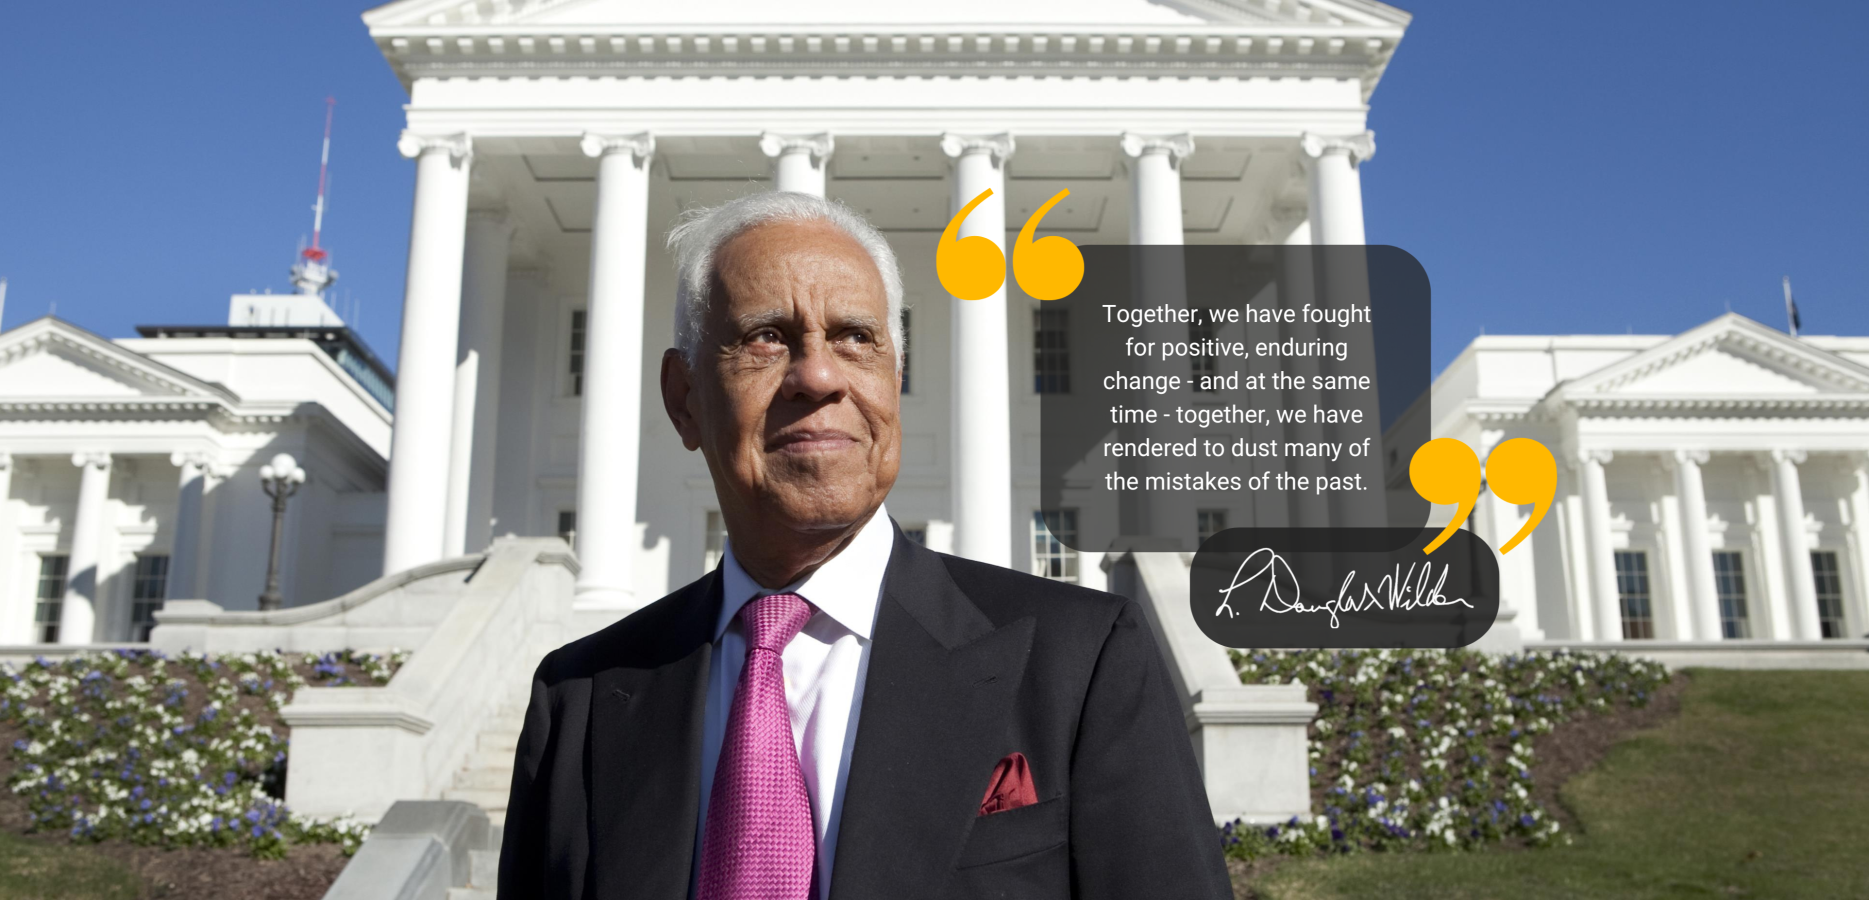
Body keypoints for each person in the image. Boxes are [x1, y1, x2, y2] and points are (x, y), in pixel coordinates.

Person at [498, 192, 1231, 900]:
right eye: (765, 336)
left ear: (893, 380)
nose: (818, 376)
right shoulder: (579, 699)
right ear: (683, 398)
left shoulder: (1081, 660)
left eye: (856, 337)